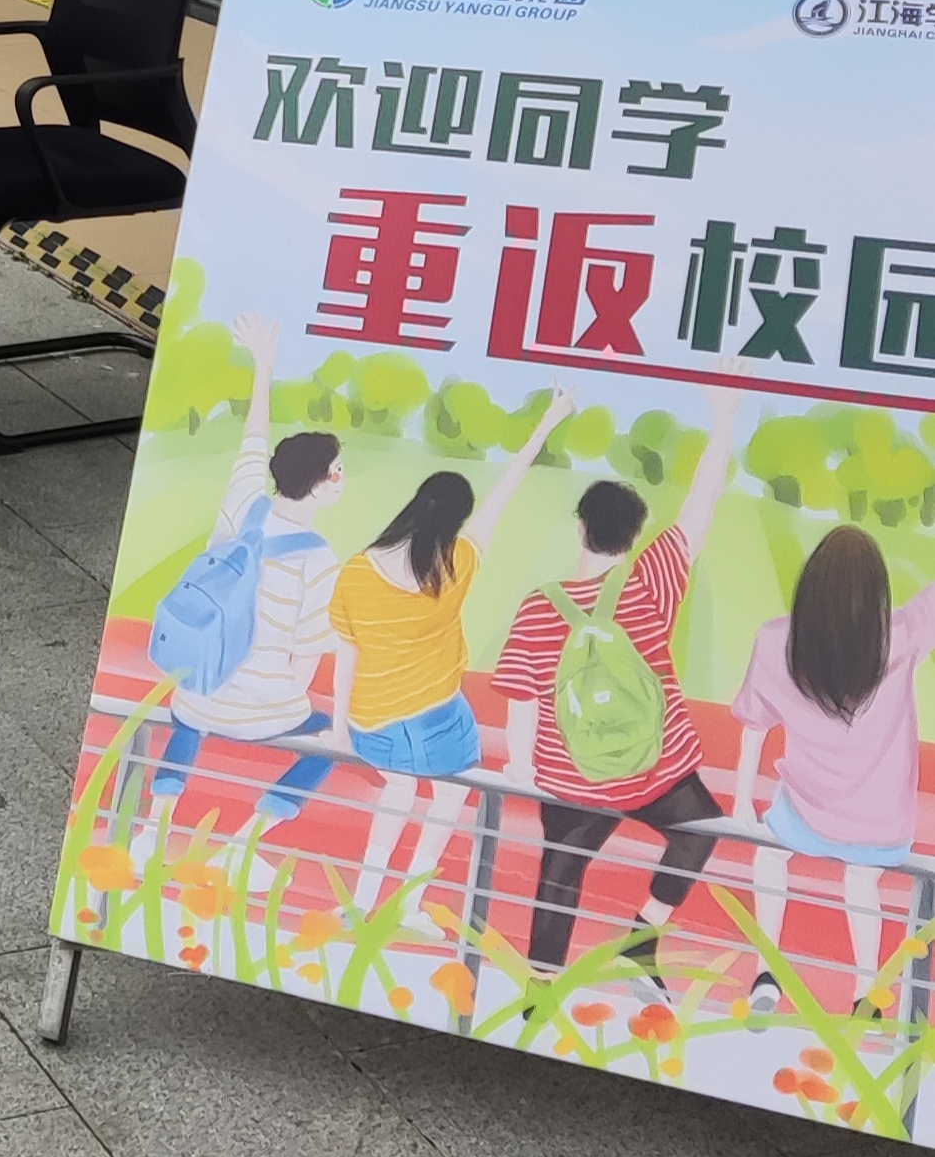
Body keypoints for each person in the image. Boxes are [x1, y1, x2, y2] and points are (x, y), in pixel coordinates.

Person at [492, 386, 737, 997]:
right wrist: (724, 416)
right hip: (656, 769)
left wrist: (523, 769)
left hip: (572, 779)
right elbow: (702, 506)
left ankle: (542, 985)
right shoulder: (651, 585)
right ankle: (643, 934)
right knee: (703, 830)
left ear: (580, 528)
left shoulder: (539, 609)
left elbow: (522, 698)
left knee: (560, 873)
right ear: (635, 536)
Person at [330, 388, 574, 933]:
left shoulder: (357, 570)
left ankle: (362, 902)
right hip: (440, 721)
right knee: (451, 793)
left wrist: (342, 727)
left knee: (398, 790)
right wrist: (547, 424)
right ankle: (409, 904)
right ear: (455, 521)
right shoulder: (456, 563)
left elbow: (347, 651)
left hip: (371, 724)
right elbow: (501, 499)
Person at [133, 313, 345, 874]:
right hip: (264, 711)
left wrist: (264, 364)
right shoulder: (319, 558)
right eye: (337, 470)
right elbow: (303, 664)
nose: (342, 478)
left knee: (189, 712)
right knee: (332, 736)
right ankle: (244, 847)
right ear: (320, 483)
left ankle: (152, 829)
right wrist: (273, 697)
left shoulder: (245, 504)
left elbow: (254, 441)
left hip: (197, 687)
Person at [732, 525, 935, 1017]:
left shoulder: (777, 642)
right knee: (862, 883)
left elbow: (753, 726)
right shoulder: (900, 639)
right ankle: (866, 989)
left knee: (770, 857)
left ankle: (765, 970)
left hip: (803, 813)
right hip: (880, 827)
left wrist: (741, 804)